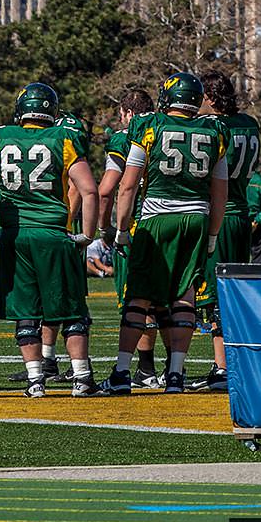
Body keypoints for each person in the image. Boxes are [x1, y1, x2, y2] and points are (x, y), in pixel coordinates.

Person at [0, 82, 100, 398]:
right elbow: (90, 190)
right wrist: (88, 234)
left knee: (26, 310)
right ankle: (82, 378)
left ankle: (35, 381)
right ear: (52, 111)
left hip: (17, 237)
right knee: (70, 309)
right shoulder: (63, 138)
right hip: (53, 233)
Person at [107, 71, 227, 396]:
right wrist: (213, 234)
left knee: (140, 294)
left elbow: (128, 184)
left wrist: (121, 228)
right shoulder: (214, 130)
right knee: (184, 294)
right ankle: (174, 374)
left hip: (158, 216)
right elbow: (220, 192)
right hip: (197, 218)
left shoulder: (150, 126)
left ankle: (121, 372)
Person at [193, 71, 261, 392]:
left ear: (210, 97)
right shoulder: (250, 124)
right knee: (236, 290)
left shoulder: (212, 127)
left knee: (215, 294)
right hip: (242, 212)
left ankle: (223, 368)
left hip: (220, 214)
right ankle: (236, 361)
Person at [99, 87, 160, 387]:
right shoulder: (166, 129)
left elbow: (108, 188)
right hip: (176, 221)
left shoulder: (125, 138)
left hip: (138, 224)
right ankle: (171, 370)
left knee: (134, 298)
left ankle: (139, 369)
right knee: (168, 300)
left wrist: (104, 228)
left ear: (127, 113)